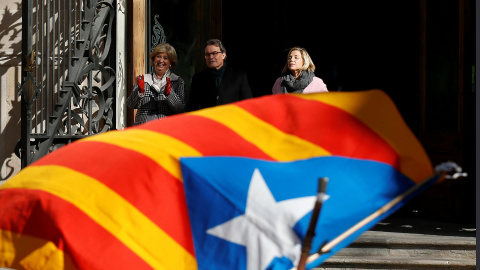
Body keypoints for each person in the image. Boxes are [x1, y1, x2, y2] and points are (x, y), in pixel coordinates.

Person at [186, 39, 252, 111]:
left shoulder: (238, 76)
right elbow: (192, 107)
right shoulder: (198, 78)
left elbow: (248, 103)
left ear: (223, 55)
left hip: (231, 120)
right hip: (209, 120)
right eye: (207, 54)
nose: (211, 57)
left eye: (215, 53)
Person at [127, 43, 185, 125]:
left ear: (171, 62)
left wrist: (169, 94)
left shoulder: (177, 81)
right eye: (158, 57)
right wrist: (139, 92)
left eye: (165, 58)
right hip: (145, 129)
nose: (161, 61)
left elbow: (180, 110)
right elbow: (131, 104)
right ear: (154, 59)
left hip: (166, 129)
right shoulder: (143, 79)